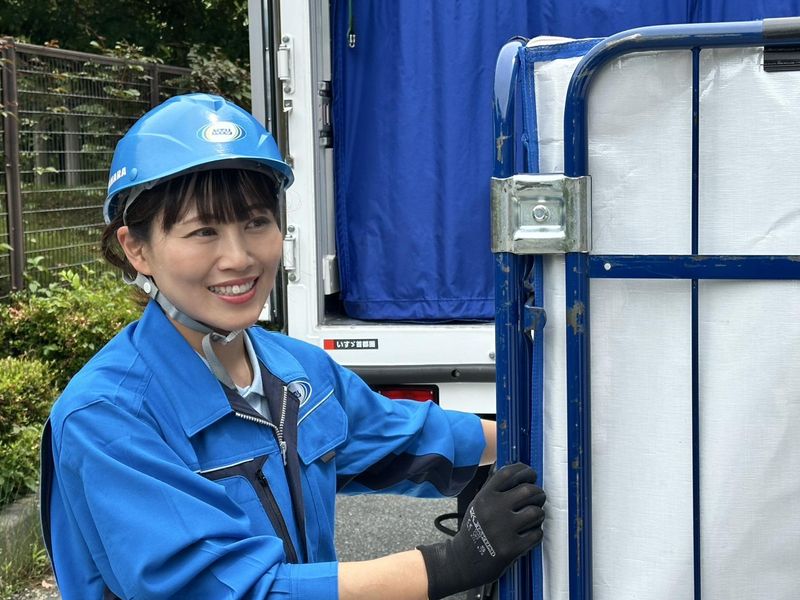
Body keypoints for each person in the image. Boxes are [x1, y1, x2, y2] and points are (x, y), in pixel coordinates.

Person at [39, 93, 546, 600]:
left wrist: (538, 436)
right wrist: (454, 561)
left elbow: (408, 438)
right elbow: (228, 589)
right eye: (203, 231)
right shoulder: (107, 416)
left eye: (256, 222)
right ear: (137, 249)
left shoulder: (295, 369)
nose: (239, 257)